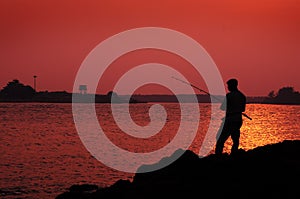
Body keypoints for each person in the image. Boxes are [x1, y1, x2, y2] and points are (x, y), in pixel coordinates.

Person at [215, 78, 246, 155]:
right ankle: (234, 154)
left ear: (232, 86)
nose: (228, 87)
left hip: (229, 120)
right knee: (235, 139)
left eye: (228, 86)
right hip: (238, 120)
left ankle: (218, 155)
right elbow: (243, 109)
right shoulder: (242, 96)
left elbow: (222, 108)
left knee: (220, 139)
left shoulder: (229, 96)